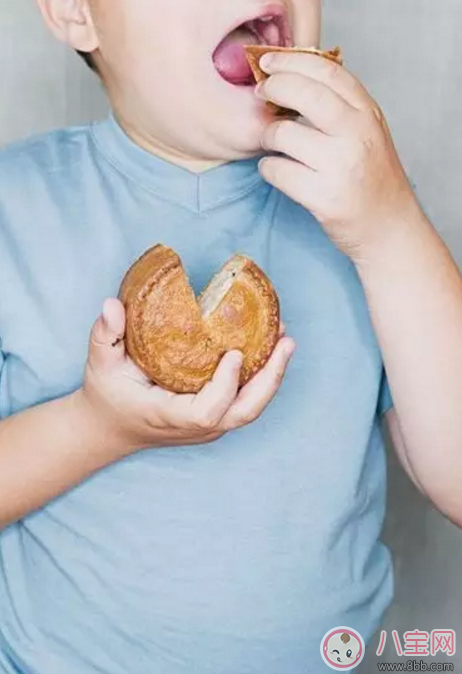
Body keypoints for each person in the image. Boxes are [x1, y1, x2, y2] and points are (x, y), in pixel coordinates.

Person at [1, 0, 462, 672]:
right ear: (77, 13)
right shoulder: (15, 207)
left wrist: (391, 230)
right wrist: (98, 427)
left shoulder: (369, 216)